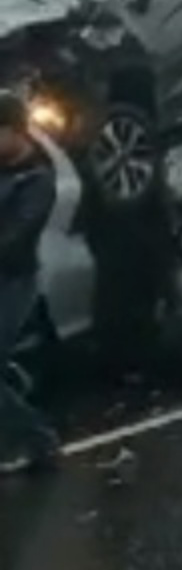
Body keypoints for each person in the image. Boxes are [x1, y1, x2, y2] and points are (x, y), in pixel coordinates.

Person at [0, 90, 60, 475]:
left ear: (14, 131)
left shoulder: (38, 178)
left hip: (13, 282)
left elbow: (17, 236)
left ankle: (39, 439)